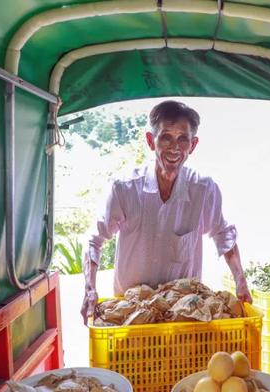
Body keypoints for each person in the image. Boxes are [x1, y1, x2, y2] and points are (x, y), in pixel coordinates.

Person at [80, 100, 252, 323]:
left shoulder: (203, 190)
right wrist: (89, 290)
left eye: (183, 139)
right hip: (131, 314)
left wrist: (241, 280)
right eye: (166, 137)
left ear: (193, 145)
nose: (175, 147)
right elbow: (94, 240)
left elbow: (223, 234)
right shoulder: (125, 188)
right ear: (151, 141)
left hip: (183, 314)